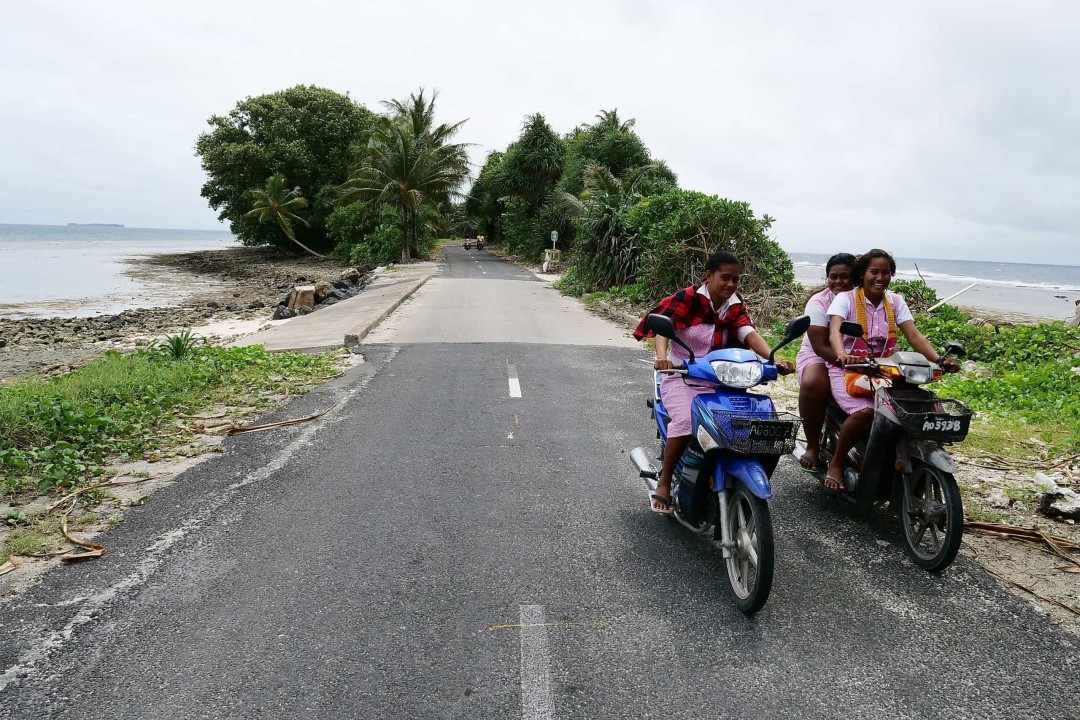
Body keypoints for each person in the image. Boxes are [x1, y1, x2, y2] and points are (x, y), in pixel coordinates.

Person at [634, 251, 795, 514]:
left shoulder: (734, 303)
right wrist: (663, 358)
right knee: (687, 423)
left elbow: (748, 333)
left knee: (748, 424)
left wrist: (774, 359)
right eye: (725, 278)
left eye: (736, 279)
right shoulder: (687, 298)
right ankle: (664, 482)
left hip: (721, 377)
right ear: (708, 277)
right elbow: (664, 328)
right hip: (682, 375)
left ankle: (719, 470)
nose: (731, 284)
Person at [823, 249, 959, 491]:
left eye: (886, 272)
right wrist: (842, 354)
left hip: (884, 370)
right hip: (848, 368)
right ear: (862, 274)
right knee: (866, 411)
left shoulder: (895, 301)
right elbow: (835, 330)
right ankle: (837, 462)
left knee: (910, 407)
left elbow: (914, 335)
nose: (880, 277)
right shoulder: (846, 299)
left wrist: (939, 359)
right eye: (874, 271)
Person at [795, 253, 856, 471]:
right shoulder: (818, 302)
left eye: (845, 276)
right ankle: (812, 446)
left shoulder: (864, 299)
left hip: (857, 355)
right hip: (819, 352)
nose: (838, 282)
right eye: (833, 276)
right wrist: (849, 363)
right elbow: (820, 345)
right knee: (814, 383)